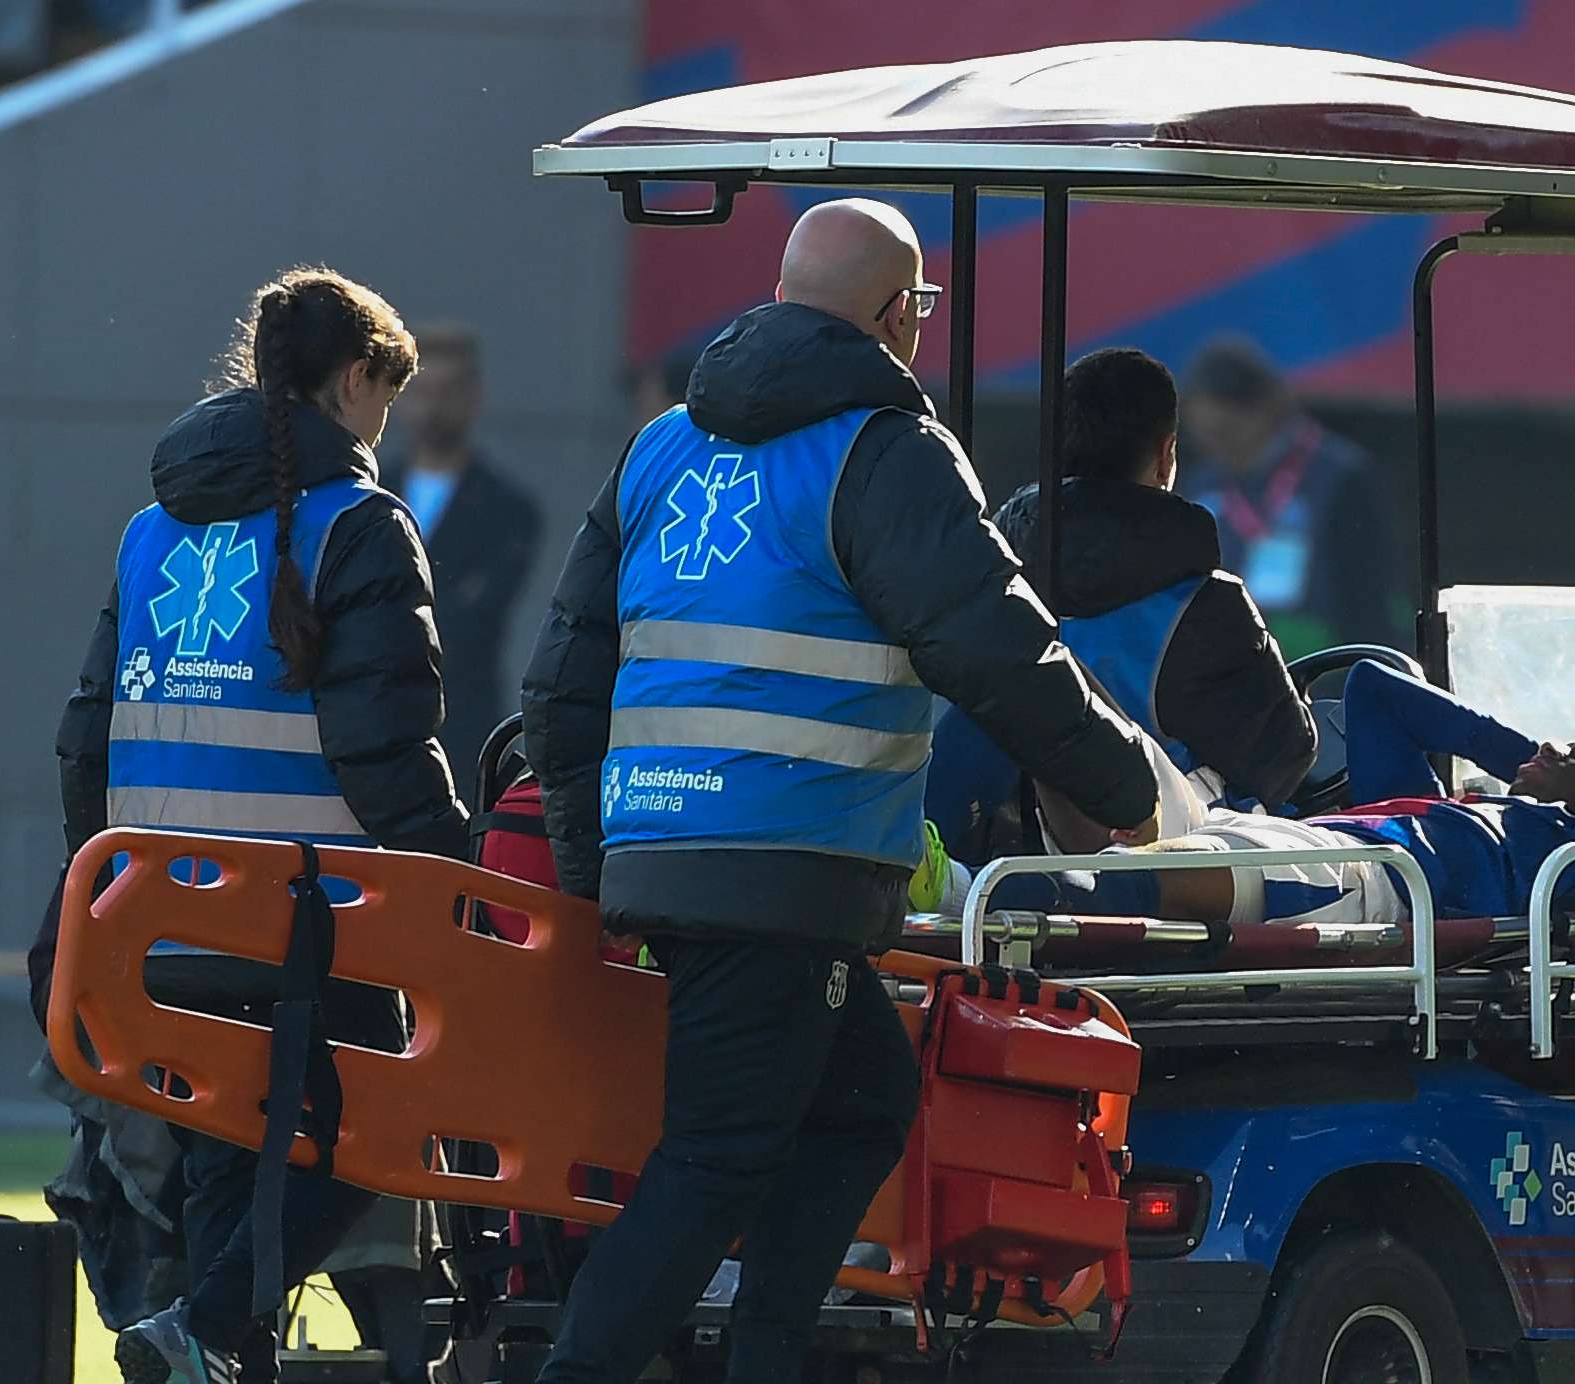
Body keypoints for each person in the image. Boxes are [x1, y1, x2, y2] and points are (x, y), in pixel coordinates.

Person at [518, 198, 1159, 1384]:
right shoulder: (883, 448)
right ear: (892, 314)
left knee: (864, 1095)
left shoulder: (661, 444)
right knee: (718, 1158)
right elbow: (990, 643)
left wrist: (591, 869)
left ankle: (767, 1359)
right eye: (917, 308)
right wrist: (1122, 782)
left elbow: (561, 676)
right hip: (783, 860)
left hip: (670, 849)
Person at [52, 268, 468, 1384]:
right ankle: (196, 1328)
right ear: (352, 379)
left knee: (228, 1190)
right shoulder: (361, 525)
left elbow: (83, 737)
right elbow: (387, 754)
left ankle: (203, 1337)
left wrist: (94, 897)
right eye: (385, 394)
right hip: (306, 936)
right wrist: (466, 883)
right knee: (380, 1130)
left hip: (157, 934)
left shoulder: (152, 532)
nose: (388, 423)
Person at [994, 652, 1575, 926]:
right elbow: (1374, 686)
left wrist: (1546, 774)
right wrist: (1531, 767)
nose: (1552, 744)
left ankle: (973, 895)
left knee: (1121, 886)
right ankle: (957, 883)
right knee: (1049, 690)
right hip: (1288, 832)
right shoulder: (1457, 813)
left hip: (1369, 882)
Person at [989, 346, 1317, 811]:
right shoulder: (1207, 607)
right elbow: (1284, 758)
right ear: (1166, 456)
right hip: (1163, 869)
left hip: (1003, 861)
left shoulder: (990, 586)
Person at [381, 323, 543, 774]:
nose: (434, 406)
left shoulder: (508, 510)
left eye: (448, 391)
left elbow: (477, 619)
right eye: (423, 390)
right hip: (374, 722)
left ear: (475, 396)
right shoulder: (371, 492)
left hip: (464, 726)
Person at [1180, 336, 1404, 655]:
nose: (1218, 447)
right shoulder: (1202, 485)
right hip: (1231, 673)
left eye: (1227, 431)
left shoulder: (1340, 477)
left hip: (1326, 671)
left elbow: (1374, 601)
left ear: (1268, 407)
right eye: (1205, 435)